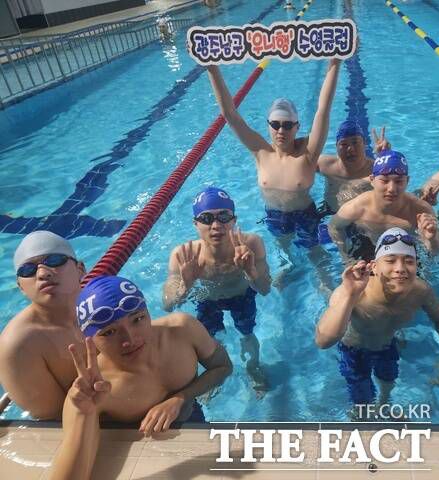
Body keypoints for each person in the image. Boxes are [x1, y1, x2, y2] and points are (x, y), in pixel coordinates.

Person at [50, 275, 232, 480]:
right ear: (88, 339)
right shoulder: (93, 390)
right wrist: (84, 414)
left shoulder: (183, 331)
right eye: (109, 332)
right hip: (143, 460)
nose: (130, 339)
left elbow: (223, 367)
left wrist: (181, 397)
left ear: (148, 312)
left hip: (193, 423)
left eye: (137, 319)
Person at [316, 227, 439, 414]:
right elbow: (323, 341)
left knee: (388, 379)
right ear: (374, 266)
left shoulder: (421, 291)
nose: (400, 269)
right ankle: (362, 415)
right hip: (355, 350)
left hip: (387, 345)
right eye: (390, 260)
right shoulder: (354, 291)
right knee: (361, 396)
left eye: (409, 261)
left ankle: (384, 404)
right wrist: (349, 295)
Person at [206, 59, 342, 251]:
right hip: (274, 216)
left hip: (305, 216)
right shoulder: (260, 152)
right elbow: (230, 114)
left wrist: (336, 62)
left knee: (317, 256)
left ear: (297, 127)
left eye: (287, 125)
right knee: (285, 255)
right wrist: (211, 67)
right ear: (268, 125)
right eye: (275, 125)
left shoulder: (308, 153)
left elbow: (323, 110)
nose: (281, 131)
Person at [163, 187, 270, 395]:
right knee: (208, 341)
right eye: (206, 218)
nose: (216, 225)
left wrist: (250, 272)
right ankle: (212, 377)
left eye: (224, 216)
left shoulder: (252, 243)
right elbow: (167, 305)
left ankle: (253, 367)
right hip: (207, 299)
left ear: (234, 220)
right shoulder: (183, 255)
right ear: (195, 223)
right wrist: (186, 286)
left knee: (247, 333)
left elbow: (265, 290)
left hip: (242, 296)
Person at [0, 231, 85, 420]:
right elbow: (55, 419)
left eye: (54, 260)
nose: (42, 273)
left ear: (80, 269)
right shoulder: (19, 346)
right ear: (21, 287)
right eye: (27, 270)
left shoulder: (108, 304)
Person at [329, 149, 439, 263]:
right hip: (367, 244)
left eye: (398, 181)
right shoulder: (357, 208)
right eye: (384, 181)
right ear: (372, 180)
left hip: (405, 251)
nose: (391, 189)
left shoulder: (421, 210)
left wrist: (431, 240)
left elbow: (437, 253)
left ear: (407, 181)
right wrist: (347, 259)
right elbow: (334, 227)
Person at [317, 122, 392, 216]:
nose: (350, 149)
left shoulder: (376, 169)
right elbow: (303, 162)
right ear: (336, 147)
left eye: (355, 142)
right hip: (329, 211)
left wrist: (386, 158)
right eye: (344, 144)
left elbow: (394, 185)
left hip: (361, 216)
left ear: (364, 144)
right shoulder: (325, 165)